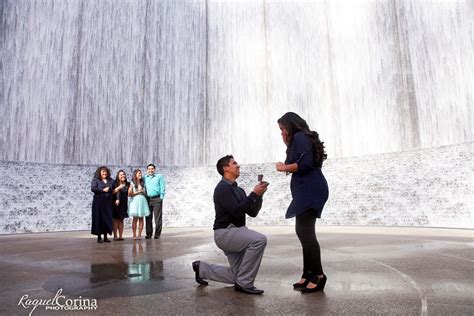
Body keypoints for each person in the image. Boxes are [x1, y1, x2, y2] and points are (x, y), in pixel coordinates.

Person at [192, 155, 269, 295]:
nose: (238, 166)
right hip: (225, 233)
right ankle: (245, 284)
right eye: (234, 163)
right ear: (225, 168)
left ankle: (201, 268)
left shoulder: (239, 190)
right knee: (259, 239)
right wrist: (253, 194)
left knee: (237, 275)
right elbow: (235, 211)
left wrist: (259, 196)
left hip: (236, 233)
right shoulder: (222, 188)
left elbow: (252, 212)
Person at [275, 112, 329, 293]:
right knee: (303, 232)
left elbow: (304, 164)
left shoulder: (300, 137)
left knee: (305, 233)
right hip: (307, 190)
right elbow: (297, 161)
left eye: (283, 128)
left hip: (310, 190)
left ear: (290, 125)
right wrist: (286, 144)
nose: (282, 132)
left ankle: (319, 275)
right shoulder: (299, 138)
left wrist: (283, 167)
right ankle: (308, 273)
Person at [91, 166, 114, 243]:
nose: (104, 173)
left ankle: (106, 237)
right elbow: (93, 188)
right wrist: (102, 190)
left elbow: (114, 187)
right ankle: (99, 237)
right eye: (103, 172)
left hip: (108, 202)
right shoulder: (96, 180)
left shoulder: (110, 180)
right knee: (99, 218)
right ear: (99, 173)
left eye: (106, 172)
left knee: (107, 218)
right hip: (98, 202)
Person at [143, 163, 166, 239]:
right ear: (147, 170)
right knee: (148, 217)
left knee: (158, 218)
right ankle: (148, 234)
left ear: (154, 169)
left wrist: (161, 197)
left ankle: (157, 234)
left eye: (152, 169)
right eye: (149, 169)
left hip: (157, 199)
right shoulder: (144, 178)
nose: (150, 170)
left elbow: (162, 186)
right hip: (147, 199)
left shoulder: (159, 177)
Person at [128, 169, 151, 240]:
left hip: (143, 201)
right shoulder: (132, 183)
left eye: (140, 173)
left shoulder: (143, 183)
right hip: (135, 201)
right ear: (135, 174)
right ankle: (134, 234)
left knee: (141, 218)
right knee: (135, 219)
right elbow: (129, 194)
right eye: (138, 173)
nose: (140, 174)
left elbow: (146, 193)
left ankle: (139, 235)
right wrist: (138, 192)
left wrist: (143, 192)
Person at [112, 170, 129, 241]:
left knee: (121, 220)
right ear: (118, 176)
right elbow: (112, 192)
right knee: (115, 220)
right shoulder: (115, 183)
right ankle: (115, 236)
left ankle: (121, 236)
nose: (122, 176)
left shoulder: (128, 184)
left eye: (123, 174)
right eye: (121, 175)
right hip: (115, 203)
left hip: (124, 204)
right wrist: (119, 187)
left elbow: (130, 193)